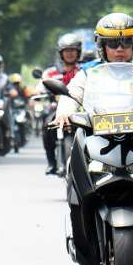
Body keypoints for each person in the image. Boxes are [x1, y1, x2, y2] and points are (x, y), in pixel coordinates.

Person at [54, 13, 133, 126]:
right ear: (102, 46)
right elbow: (72, 94)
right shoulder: (88, 72)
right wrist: (64, 113)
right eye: (113, 43)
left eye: (126, 42)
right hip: (94, 134)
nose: (120, 49)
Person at [40, 32, 82, 174]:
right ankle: (51, 162)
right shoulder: (51, 73)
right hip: (56, 109)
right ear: (61, 53)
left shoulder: (84, 71)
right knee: (46, 126)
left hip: (80, 110)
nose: (69, 54)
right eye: (66, 51)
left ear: (78, 52)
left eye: (73, 50)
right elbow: (40, 87)